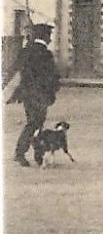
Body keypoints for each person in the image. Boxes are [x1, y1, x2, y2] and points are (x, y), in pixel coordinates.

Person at [10, 23, 59, 167]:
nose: (50, 39)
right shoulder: (46, 54)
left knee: (34, 122)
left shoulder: (26, 51)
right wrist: (53, 92)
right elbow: (52, 76)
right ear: (45, 36)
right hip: (40, 94)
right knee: (35, 123)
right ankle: (21, 152)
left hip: (26, 94)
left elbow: (14, 69)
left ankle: (37, 154)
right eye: (49, 36)